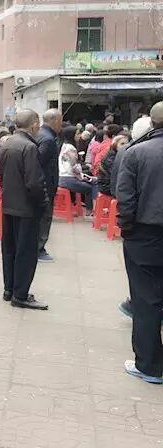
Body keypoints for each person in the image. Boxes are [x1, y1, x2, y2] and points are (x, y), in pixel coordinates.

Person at [116, 101, 163, 384]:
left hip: (145, 234)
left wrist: (127, 229)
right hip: (145, 231)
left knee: (146, 299)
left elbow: (126, 198)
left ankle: (149, 365)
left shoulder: (136, 152)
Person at [0, 109, 48, 310]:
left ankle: (9, 289)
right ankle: (20, 294)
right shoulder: (29, 147)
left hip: (9, 204)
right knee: (25, 252)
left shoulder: (6, 144)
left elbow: (0, 175)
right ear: (34, 124)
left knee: (9, 249)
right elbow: (34, 182)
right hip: (26, 207)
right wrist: (42, 202)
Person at [36, 109, 62, 263]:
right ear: (54, 120)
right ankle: (39, 249)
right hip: (45, 185)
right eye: (60, 120)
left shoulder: (40, 135)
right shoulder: (48, 140)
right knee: (44, 218)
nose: (61, 124)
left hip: (42, 184)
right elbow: (38, 162)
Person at [58, 126, 97, 213]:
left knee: (91, 181)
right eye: (77, 133)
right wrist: (81, 174)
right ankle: (91, 209)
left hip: (63, 177)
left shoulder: (64, 145)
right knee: (91, 187)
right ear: (72, 135)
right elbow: (74, 166)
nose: (79, 135)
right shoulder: (70, 148)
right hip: (68, 179)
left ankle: (90, 209)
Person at [97, 133, 129, 197]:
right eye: (122, 144)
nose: (125, 146)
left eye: (126, 144)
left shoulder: (119, 155)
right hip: (107, 187)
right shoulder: (111, 158)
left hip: (111, 184)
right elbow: (116, 175)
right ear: (115, 145)